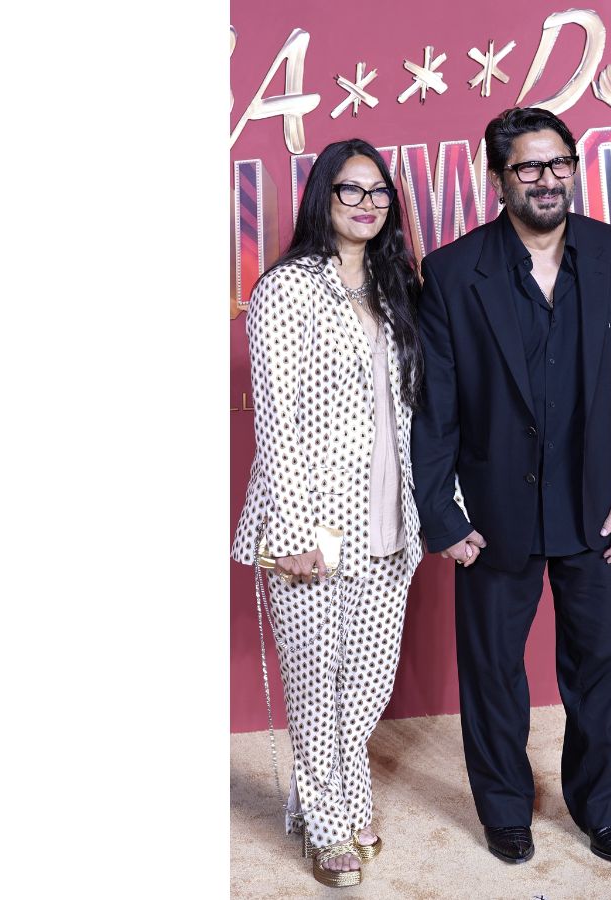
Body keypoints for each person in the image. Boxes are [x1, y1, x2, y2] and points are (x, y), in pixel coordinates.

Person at [411, 107, 611, 868]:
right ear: (498, 178)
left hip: (599, 507)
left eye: (558, 162)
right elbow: (435, 411)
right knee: (492, 671)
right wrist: (441, 515)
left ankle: (604, 811)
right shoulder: (453, 272)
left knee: (602, 668)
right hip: (494, 514)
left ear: (573, 168)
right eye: (528, 166)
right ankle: (505, 810)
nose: (547, 178)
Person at [231, 138, 424, 888]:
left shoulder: (393, 287)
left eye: (378, 192)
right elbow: (275, 420)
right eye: (351, 190)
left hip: (388, 519)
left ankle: (349, 791)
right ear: (323, 197)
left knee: (368, 680)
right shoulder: (287, 288)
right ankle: (325, 820)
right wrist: (291, 533)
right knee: (316, 682)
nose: (367, 204)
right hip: (312, 522)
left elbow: (411, 413)